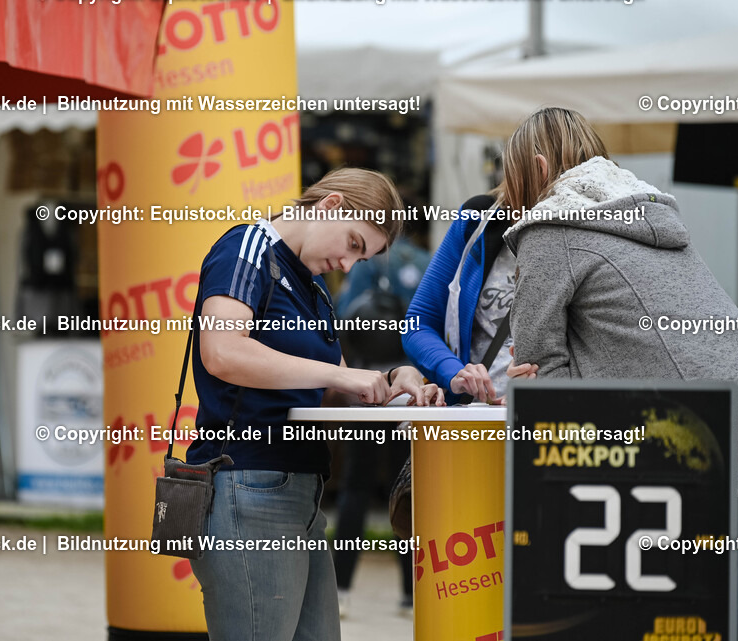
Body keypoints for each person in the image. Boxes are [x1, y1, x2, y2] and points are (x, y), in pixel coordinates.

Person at [501, 107, 738, 639]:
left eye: (510, 181)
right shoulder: (655, 219)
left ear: (539, 166)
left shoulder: (550, 230)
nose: (507, 197)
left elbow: (538, 374)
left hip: (713, 454)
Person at [186, 167, 445, 641]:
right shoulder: (248, 248)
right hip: (246, 482)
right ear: (330, 205)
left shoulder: (312, 286)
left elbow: (333, 389)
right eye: (352, 243)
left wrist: (395, 381)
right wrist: (343, 373)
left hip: (300, 491)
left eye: (360, 256)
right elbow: (221, 351)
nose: (348, 264)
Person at [332, 236, 432, 617]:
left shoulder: (366, 263)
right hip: (410, 388)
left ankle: (341, 588)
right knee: (406, 489)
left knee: (355, 488)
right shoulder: (425, 262)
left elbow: (345, 317)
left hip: (368, 389)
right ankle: (411, 594)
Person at [402, 190, 535, 406]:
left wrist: (551, 382)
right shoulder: (480, 217)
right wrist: (455, 372)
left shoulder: (586, 226)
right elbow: (418, 323)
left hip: (550, 415)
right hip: (472, 413)